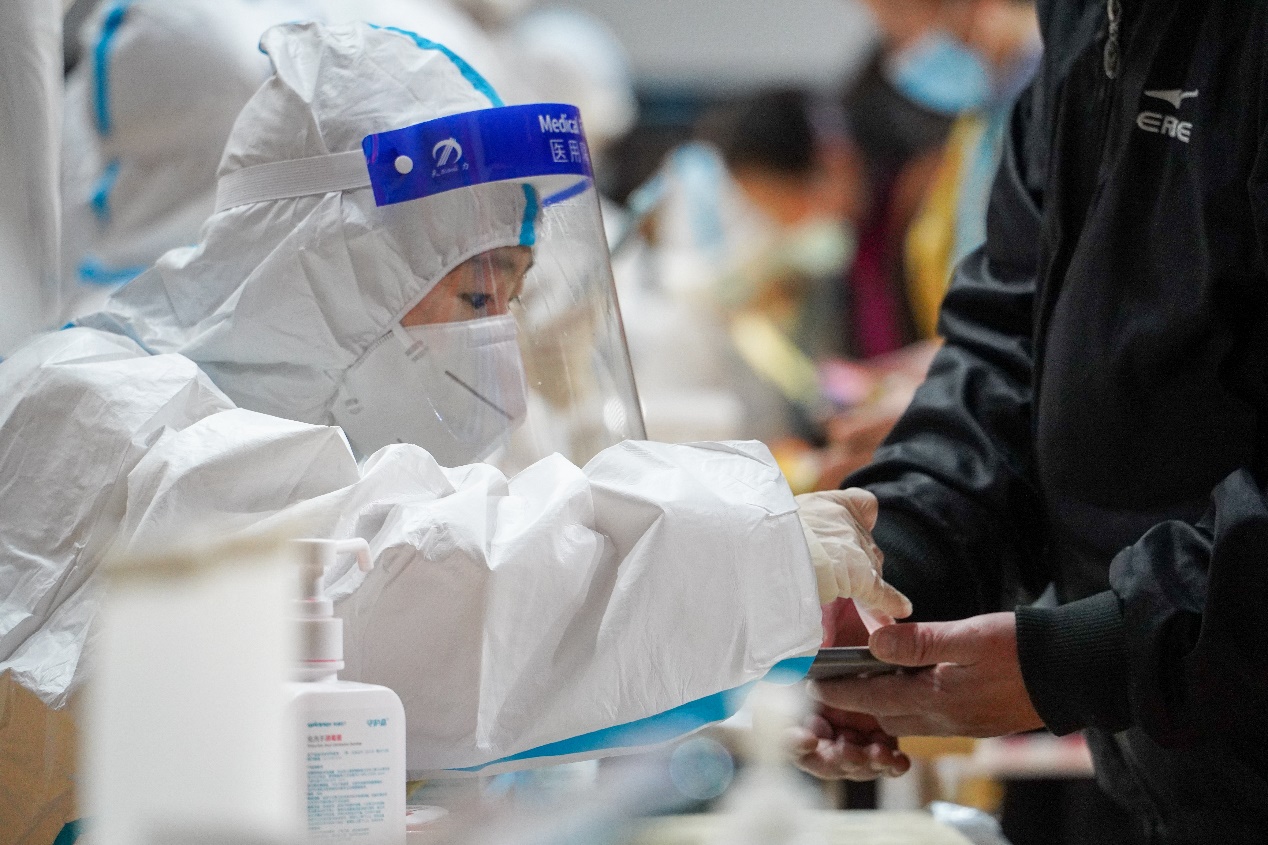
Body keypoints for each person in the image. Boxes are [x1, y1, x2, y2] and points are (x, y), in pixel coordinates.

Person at [0, 22, 911, 845]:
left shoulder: (328, 433)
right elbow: (424, 593)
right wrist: (758, 551)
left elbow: (462, 695)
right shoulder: (98, 406)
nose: (501, 357)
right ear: (337, 266)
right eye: (477, 294)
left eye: (515, 298)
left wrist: (722, 679)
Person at [796, 0, 1268, 841]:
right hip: (1166, 753)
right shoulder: (1089, 21)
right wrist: (891, 560)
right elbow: (1011, 334)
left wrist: (1097, 649)